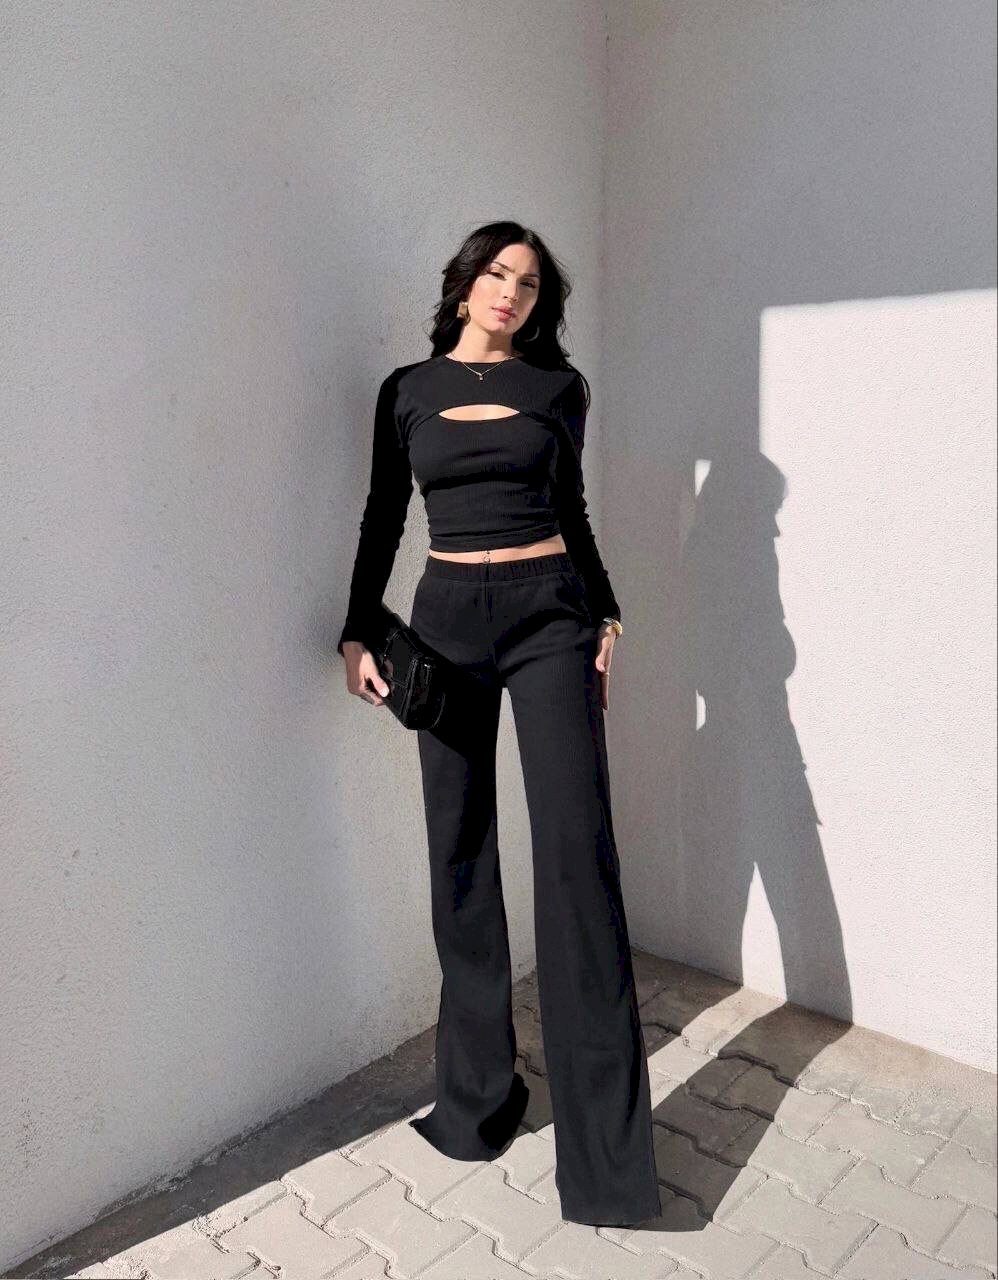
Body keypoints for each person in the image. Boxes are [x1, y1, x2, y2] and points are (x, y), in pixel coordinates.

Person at [337, 220, 661, 1228]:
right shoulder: (406, 390)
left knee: (575, 856)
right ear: (464, 282)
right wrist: (357, 628)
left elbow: (573, 509)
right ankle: (478, 1101)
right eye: (496, 272)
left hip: (547, 619)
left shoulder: (557, 389)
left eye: (528, 282)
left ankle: (606, 1166)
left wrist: (606, 613)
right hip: (443, 624)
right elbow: (384, 513)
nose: (509, 291)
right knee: (460, 854)